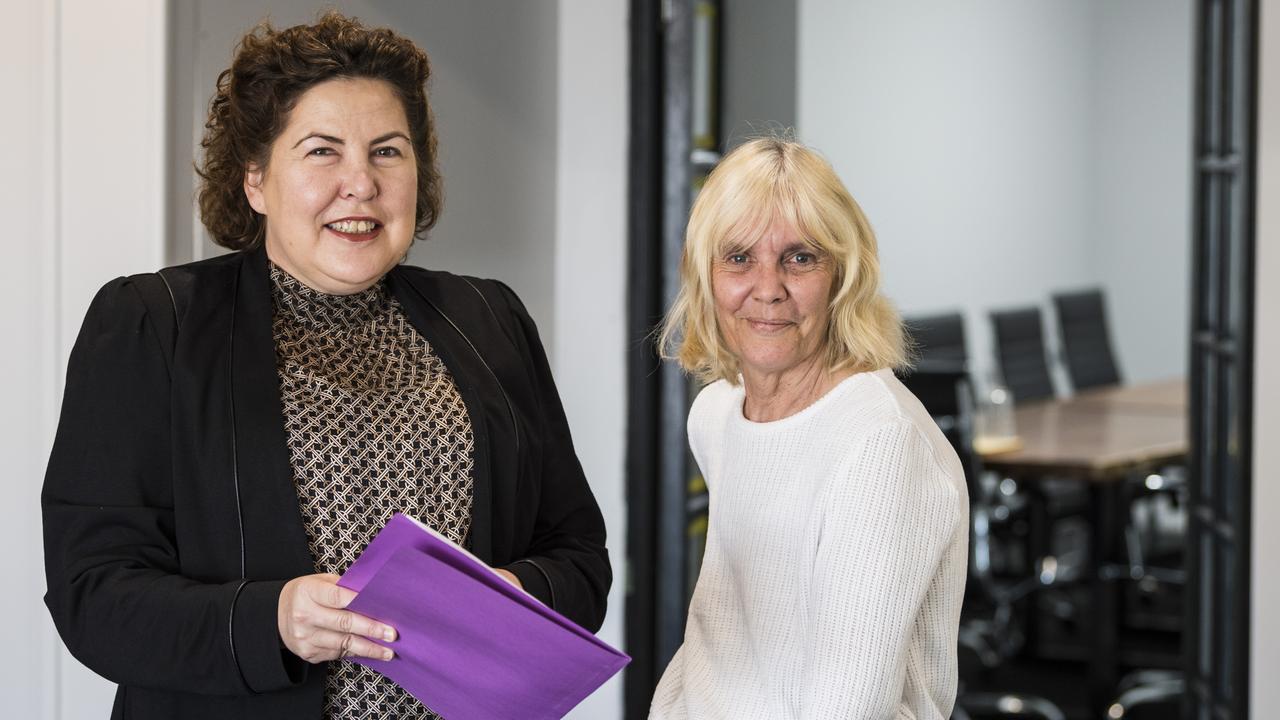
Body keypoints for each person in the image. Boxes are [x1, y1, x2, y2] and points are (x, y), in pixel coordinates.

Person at [41, 13, 610, 720]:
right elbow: (92, 595)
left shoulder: (490, 319)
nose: (360, 183)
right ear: (255, 179)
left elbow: (580, 556)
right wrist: (270, 620)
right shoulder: (153, 324)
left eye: (388, 152)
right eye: (321, 152)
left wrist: (516, 599)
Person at [649, 138, 968, 719]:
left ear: (843, 275)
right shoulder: (718, 414)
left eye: (800, 258)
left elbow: (847, 707)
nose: (768, 288)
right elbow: (718, 644)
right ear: (705, 276)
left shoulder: (878, 442)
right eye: (739, 257)